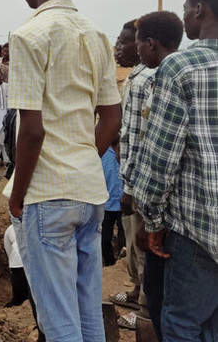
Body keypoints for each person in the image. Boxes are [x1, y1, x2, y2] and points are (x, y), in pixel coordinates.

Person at [3, 0, 122, 341]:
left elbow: (32, 131)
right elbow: (111, 119)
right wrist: (83, 157)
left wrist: (17, 195)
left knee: (58, 321)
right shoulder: (96, 35)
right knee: (87, 312)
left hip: (47, 195)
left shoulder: (29, 36)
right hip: (89, 191)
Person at [131, 7, 198, 342]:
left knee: (170, 310)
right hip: (199, 218)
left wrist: (151, 221)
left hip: (178, 220)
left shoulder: (168, 75)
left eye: (138, 42)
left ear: (151, 43)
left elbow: (159, 157)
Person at [109, 19, 156, 329]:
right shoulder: (134, 77)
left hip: (137, 181)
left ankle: (143, 311)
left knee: (142, 242)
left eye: (123, 42)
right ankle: (137, 291)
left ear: (141, 45)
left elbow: (141, 137)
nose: (118, 48)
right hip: (129, 175)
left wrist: (129, 188)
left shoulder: (144, 80)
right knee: (131, 237)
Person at [101, 138, 124, 267]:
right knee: (104, 239)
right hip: (106, 204)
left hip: (124, 204)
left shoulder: (126, 147)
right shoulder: (102, 151)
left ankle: (122, 263)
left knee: (124, 238)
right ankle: (110, 264)